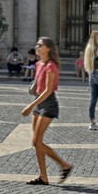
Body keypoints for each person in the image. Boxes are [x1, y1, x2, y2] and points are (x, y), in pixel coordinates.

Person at [22, 37, 73, 185]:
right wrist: (34, 104)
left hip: (48, 104)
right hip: (39, 102)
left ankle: (64, 165)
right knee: (37, 142)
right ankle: (43, 176)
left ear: (48, 48)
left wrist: (31, 106)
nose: (37, 47)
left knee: (37, 142)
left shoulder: (51, 66)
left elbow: (48, 90)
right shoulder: (38, 64)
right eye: (37, 44)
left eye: (40, 45)